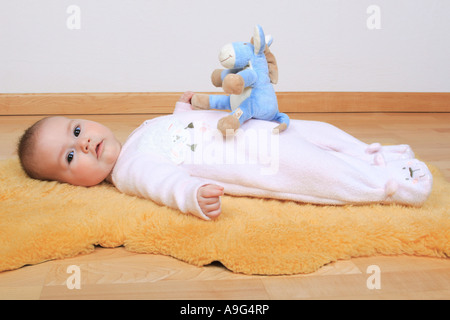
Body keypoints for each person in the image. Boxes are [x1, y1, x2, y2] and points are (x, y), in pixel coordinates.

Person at [17, 92, 433, 220]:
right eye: (70, 158)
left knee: (314, 131)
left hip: (252, 128)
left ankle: (369, 152)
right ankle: (384, 185)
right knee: (312, 170)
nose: (84, 143)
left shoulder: (141, 131)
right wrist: (192, 195)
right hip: (255, 159)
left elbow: (177, 134)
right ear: (70, 184)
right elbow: (163, 183)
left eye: (76, 131)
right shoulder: (129, 170)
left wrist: (185, 111)